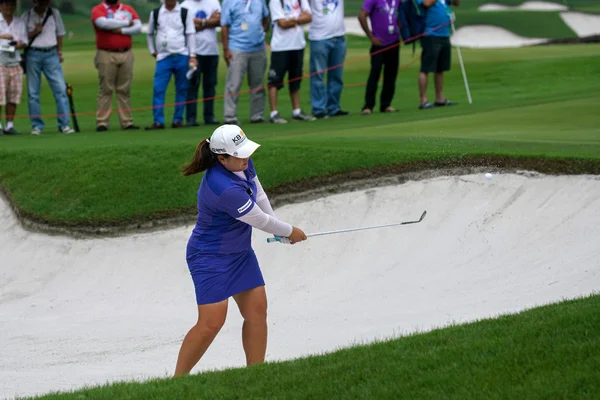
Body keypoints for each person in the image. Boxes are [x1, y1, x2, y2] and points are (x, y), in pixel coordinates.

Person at [174, 124, 307, 376]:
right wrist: (289, 231)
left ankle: (255, 376)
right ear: (221, 158)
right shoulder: (222, 188)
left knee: (257, 312)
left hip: (240, 255)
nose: (246, 157)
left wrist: (280, 230)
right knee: (211, 323)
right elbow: (259, 220)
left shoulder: (241, 164)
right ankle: (175, 382)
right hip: (209, 257)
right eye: (239, 154)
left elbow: (259, 195)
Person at [23, 0, 75, 135]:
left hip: (51, 54)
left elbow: (60, 33)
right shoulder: (27, 15)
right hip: (33, 54)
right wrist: (34, 32)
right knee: (33, 92)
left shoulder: (54, 13)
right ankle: (36, 126)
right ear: (35, 1)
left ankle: (64, 124)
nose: (43, 3)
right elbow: (21, 38)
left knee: (60, 89)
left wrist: (59, 52)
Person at [91, 0, 142, 132]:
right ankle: (102, 122)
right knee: (105, 88)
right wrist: (126, 23)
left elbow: (137, 27)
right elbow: (102, 23)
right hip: (106, 53)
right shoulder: (98, 9)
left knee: (124, 89)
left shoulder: (127, 9)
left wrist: (120, 30)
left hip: (126, 52)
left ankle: (126, 121)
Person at [145, 0, 197, 130]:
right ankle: (158, 121)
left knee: (182, 89)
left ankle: (177, 120)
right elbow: (149, 33)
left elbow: (190, 34)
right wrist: (152, 51)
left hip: (182, 55)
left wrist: (192, 55)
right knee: (158, 89)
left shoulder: (185, 12)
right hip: (163, 57)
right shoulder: (156, 13)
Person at [220, 0, 270, 125]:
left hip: (258, 48)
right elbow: (224, 26)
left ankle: (257, 115)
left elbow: (265, 18)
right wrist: (226, 49)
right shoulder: (229, 2)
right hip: (237, 47)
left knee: (257, 84)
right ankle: (230, 117)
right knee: (234, 84)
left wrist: (261, 34)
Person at [266, 0, 314, 124]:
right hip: (281, 46)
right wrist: (299, 18)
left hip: (298, 45)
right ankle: (274, 113)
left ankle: (296, 111)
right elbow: (282, 23)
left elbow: (309, 17)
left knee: (295, 79)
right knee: (274, 80)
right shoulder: (276, 1)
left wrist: (292, 20)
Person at [181, 0, 221, 127]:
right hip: (194, 53)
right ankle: (191, 118)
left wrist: (198, 22)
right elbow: (186, 27)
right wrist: (209, 21)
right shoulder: (184, 6)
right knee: (193, 85)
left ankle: (209, 116)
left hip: (212, 51)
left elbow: (219, 21)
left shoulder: (213, 2)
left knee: (210, 86)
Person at [308, 0, 348, 119]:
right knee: (318, 75)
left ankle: (333, 107)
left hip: (338, 36)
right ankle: (318, 108)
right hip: (319, 37)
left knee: (336, 75)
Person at [358, 0, 400, 115]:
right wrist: (371, 36)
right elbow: (362, 15)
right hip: (379, 43)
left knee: (391, 74)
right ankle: (368, 106)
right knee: (375, 73)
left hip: (394, 42)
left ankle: (386, 104)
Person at [417, 0, 459, 109]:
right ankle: (423, 100)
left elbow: (457, 3)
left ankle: (440, 98)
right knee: (425, 68)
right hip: (431, 34)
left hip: (444, 34)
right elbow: (426, 3)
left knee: (440, 68)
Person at [0, 0, 27, 135]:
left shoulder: (20, 21)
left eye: (11, 4)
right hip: (0, 63)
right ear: (0, 6)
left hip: (15, 62)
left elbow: (24, 41)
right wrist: (3, 36)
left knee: (13, 97)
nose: (9, 7)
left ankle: (9, 126)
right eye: (6, 4)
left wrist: (18, 45)